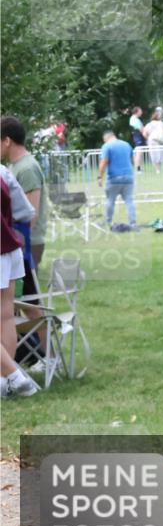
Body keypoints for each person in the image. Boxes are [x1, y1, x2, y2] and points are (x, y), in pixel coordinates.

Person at [1, 116, 50, 361]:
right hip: (16, 244)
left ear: (7, 140)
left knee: (31, 305)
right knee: (19, 305)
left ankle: (48, 356)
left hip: (27, 243)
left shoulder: (27, 167)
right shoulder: (14, 168)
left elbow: (31, 214)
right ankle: (32, 356)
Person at [1, 174, 40, 398]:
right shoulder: (3, 171)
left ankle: (15, 376)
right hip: (9, 248)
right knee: (5, 317)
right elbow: (25, 212)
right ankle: (4, 382)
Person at [98, 131, 138, 227]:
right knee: (129, 200)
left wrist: (100, 176)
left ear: (106, 139)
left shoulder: (107, 146)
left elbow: (104, 162)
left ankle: (108, 221)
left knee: (110, 200)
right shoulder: (126, 145)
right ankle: (133, 222)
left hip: (114, 178)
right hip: (128, 176)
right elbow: (133, 160)